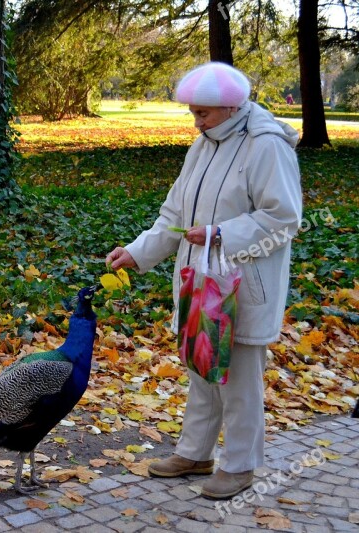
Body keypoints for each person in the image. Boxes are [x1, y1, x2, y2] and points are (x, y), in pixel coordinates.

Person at [106, 62, 302, 500]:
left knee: (238, 378)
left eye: (203, 114)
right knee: (202, 367)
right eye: (193, 112)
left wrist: (220, 234)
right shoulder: (204, 144)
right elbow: (175, 214)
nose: (196, 122)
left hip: (244, 284)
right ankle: (195, 453)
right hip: (202, 284)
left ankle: (240, 465)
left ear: (232, 107)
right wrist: (137, 253)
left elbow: (284, 218)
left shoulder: (266, 145)